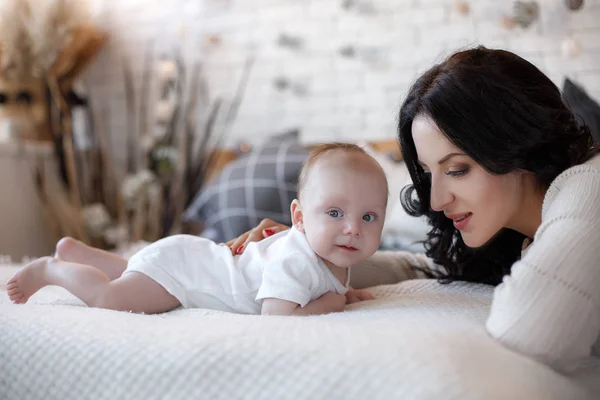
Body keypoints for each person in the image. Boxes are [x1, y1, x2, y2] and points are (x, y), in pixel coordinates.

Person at [227, 47, 600, 374]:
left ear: (515, 145)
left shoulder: (590, 186)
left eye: (457, 169)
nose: (436, 201)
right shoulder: (519, 230)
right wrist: (303, 250)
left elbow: (531, 329)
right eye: (427, 173)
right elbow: (425, 269)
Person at [6, 143, 387, 316]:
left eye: (369, 218)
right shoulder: (298, 258)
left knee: (135, 273)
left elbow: (319, 287)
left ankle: (80, 253)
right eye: (335, 213)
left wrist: (346, 293)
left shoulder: (329, 253)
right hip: (184, 275)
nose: (352, 229)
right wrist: (335, 303)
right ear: (299, 218)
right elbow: (279, 316)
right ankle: (52, 269)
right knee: (110, 298)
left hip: (189, 257)